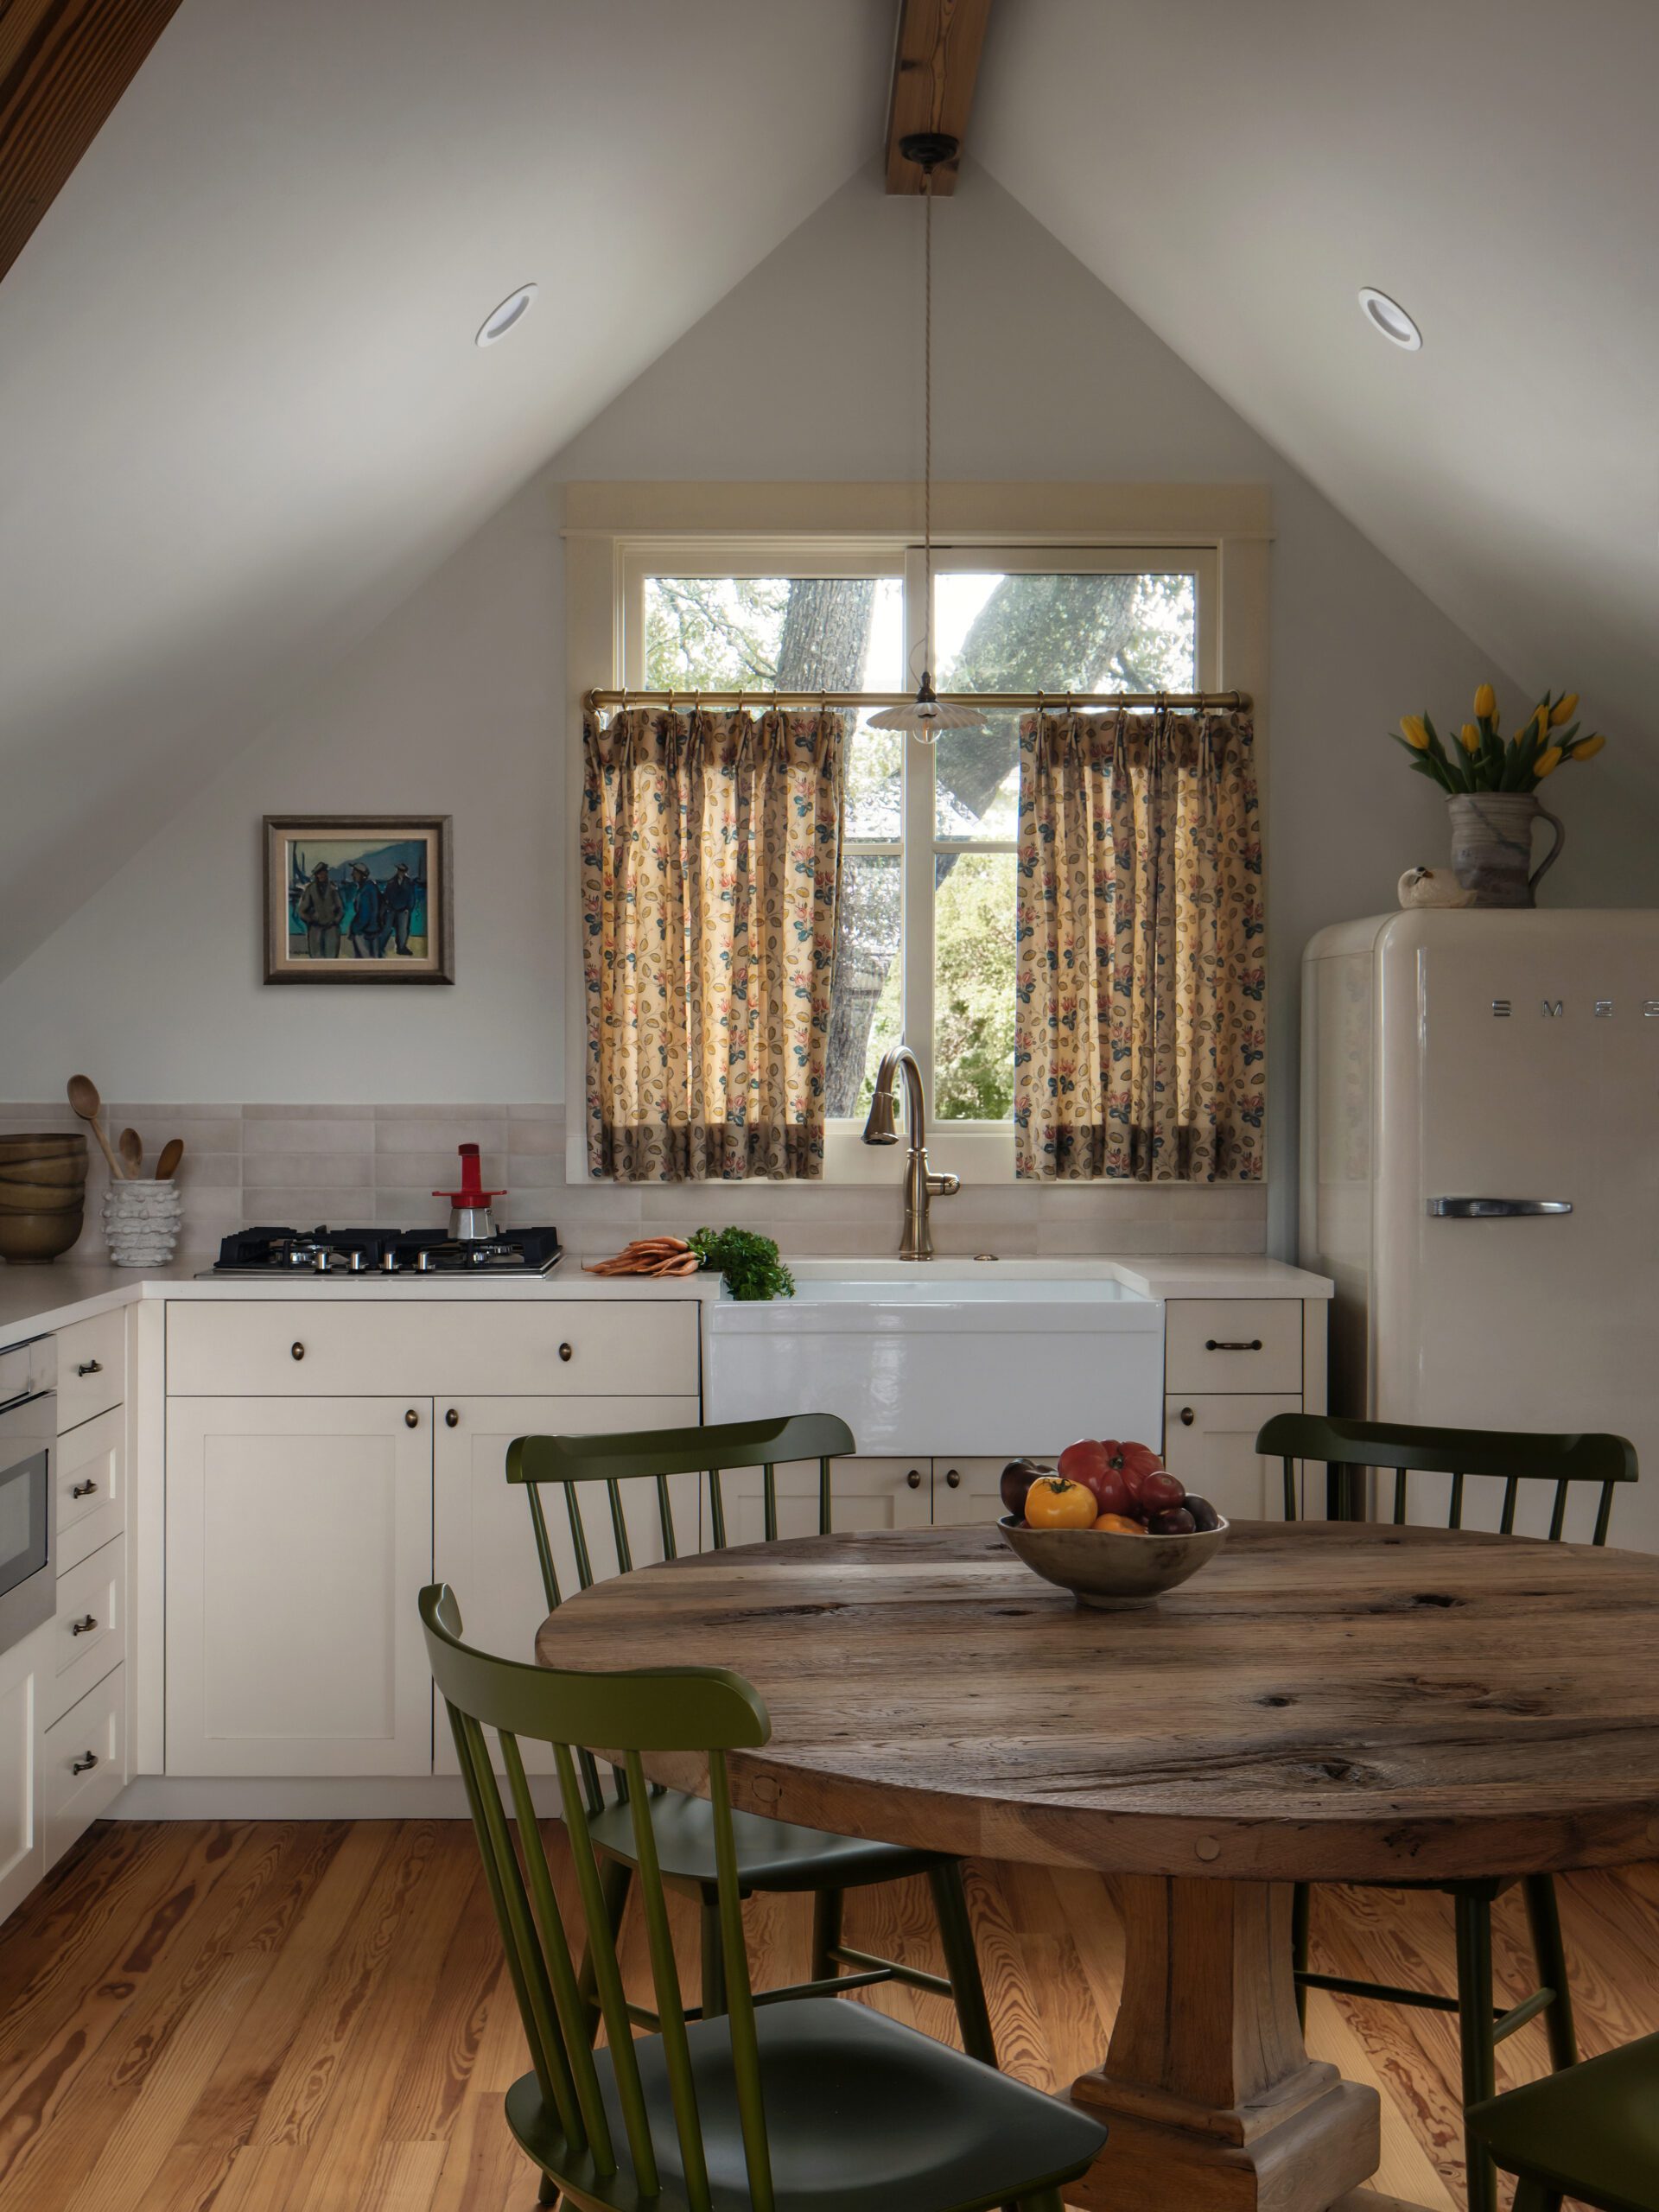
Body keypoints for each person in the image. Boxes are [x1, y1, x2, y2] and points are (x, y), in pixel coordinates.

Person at [295, 861, 343, 960]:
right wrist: (311, 920)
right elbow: (301, 910)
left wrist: (335, 921)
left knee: (332, 958)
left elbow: (341, 909)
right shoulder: (310, 889)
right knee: (316, 959)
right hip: (315, 930)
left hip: (332, 929)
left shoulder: (333, 888)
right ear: (316, 875)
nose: (322, 875)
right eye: (319, 873)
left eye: (324, 872)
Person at [346, 862, 386, 960]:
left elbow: (364, 915)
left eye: (354, 873)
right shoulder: (372, 887)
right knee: (374, 960)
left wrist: (354, 930)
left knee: (364, 961)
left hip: (364, 932)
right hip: (375, 930)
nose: (352, 875)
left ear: (361, 875)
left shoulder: (365, 890)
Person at [384, 861, 421, 956]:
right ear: (398, 870)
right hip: (391, 910)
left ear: (405, 871)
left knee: (403, 930)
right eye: (400, 870)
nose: (401, 872)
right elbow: (386, 896)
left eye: (403, 871)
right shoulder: (391, 882)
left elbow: (412, 897)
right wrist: (387, 907)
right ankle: (381, 946)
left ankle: (401, 948)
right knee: (386, 929)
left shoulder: (409, 883)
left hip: (403, 910)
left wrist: (409, 909)